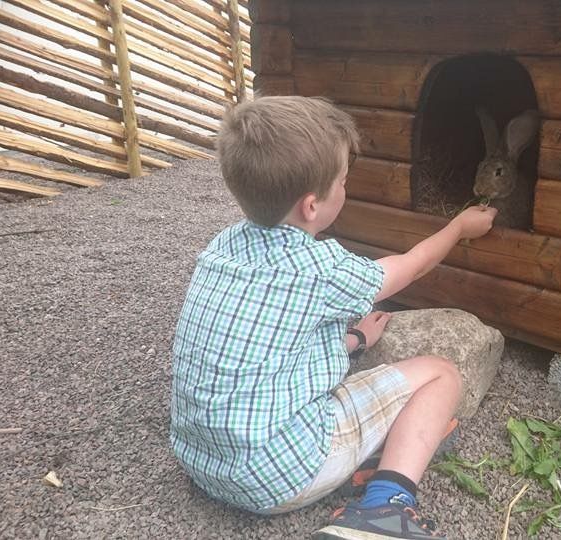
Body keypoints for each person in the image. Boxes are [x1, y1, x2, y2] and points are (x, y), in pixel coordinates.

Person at [170, 96, 497, 539]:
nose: (346, 187)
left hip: (203, 463)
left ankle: (371, 460)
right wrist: (460, 226)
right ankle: (385, 509)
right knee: (441, 374)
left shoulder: (222, 246)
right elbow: (413, 264)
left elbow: (266, 349)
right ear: (311, 206)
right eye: (343, 180)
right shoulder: (320, 268)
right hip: (277, 476)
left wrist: (354, 341)